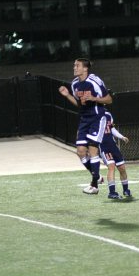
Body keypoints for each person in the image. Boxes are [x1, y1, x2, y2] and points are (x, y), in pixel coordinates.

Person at [59, 58, 112, 194]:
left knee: (93, 151)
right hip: (84, 120)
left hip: (97, 118)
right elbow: (79, 104)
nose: (74, 68)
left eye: (77, 65)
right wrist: (67, 95)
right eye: (74, 65)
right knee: (81, 152)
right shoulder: (75, 84)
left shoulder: (94, 81)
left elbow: (109, 99)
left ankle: (94, 186)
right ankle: (97, 176)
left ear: (85, 68)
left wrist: (95, 99)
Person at [99, 111, 133, 200]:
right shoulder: (93, 115)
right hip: (103, 146)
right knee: (111, 166)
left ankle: (126, 190)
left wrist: (121, 137)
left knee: (122, 168)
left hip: (113, 146)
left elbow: (111, 128)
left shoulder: (108, 114)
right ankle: (112, 192)